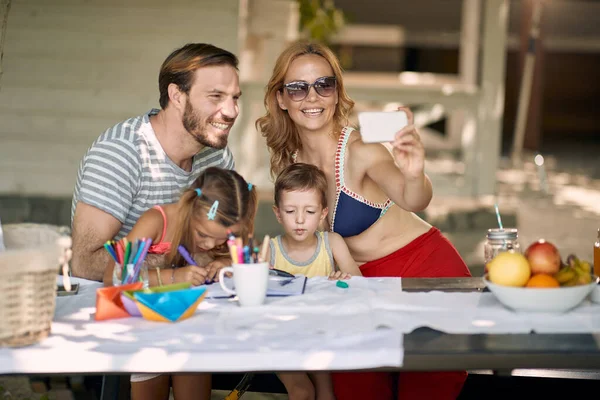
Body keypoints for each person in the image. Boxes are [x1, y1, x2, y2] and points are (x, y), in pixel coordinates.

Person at [257, 40, 471, 400]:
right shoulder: (291, 163)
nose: (312, 98)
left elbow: (413, 198)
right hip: (359, 285)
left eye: (323, 85)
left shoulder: (361, 152)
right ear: (281, 98)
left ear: (336, 92)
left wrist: (415, 171)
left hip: (425, 274)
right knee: (354, 389)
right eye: (297, 88)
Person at [71, 43, 241, 281]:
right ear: (177, 96)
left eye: (235, 98)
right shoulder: (122, 152)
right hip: (113, 304)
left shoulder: (216, 156)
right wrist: (182, 262)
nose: (232, 111)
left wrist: (224, 261)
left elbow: (228, 241)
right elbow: (84, 263)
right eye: (216, 97)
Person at [104, 167, 257, 400]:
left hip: (195, 333)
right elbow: (113, 275)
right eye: (203, 234)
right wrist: (174, 277)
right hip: (149, 330)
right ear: (190, 205)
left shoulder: (226, 230)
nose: (209, 244)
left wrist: (226, 263)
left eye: (221, 239)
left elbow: (248, 260)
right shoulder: (157, 221)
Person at [267, 162, 361, 400]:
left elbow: (360, 284)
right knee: (302, 391)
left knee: (327, 394)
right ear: (278, 213)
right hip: (282, 339)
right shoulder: (270, 250)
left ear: (322, 214)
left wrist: (343, 279)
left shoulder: (333, 242)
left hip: (321, 335)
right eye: (290, 211)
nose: (300, 220)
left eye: (309, 212)